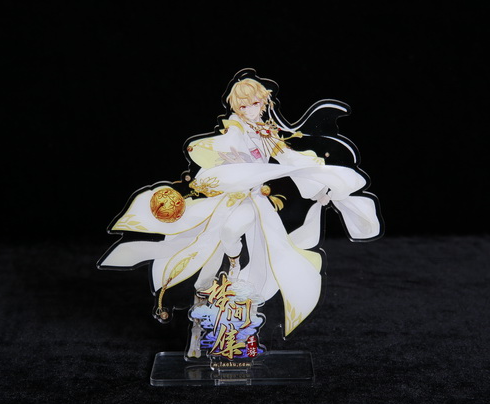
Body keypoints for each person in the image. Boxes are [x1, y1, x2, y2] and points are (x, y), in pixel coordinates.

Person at [98, 70, 382, 339]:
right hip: (225, 197)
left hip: (254, 199)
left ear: (264, 102)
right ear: (236, 107)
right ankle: (212, 288)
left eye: (254, 104)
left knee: (239, 234)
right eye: (243, 106)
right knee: (207, 243)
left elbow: (292, 161)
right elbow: (214, 147)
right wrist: (225, 159)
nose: (249, 110)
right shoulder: (234, 128)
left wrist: (320, 179)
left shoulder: (269, 134)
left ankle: (235, 275)